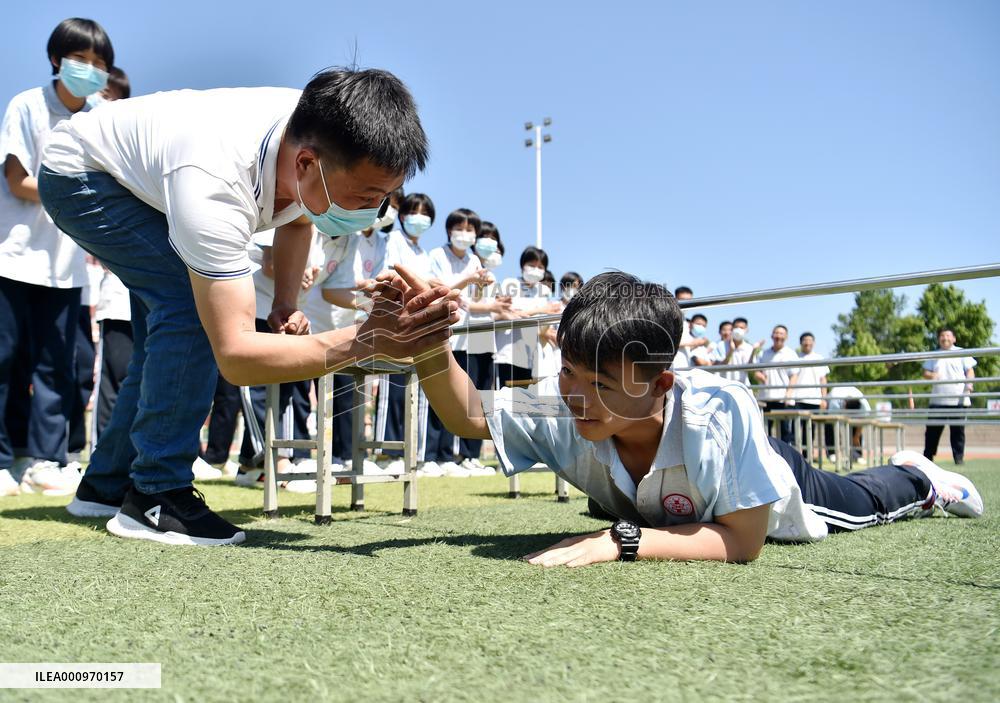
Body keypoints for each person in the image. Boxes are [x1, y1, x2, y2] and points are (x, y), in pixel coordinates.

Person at [37, 67, 459, 545]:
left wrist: (284, 301)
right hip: (82, 174)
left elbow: (298, 221)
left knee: (164, 338)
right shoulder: (213, 183)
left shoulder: (315, 139)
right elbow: (234, 355)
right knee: (187, 308)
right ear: (304, 164)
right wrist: (365, 341)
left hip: (148, 177)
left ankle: (105, 484)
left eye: (385, 197)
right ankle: (155, 495)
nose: (375, 212)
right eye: (365, 196)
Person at [404, 268, 983, 566]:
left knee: (868, 502)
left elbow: (744, 542)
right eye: (569, 372)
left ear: (659, 384)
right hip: (692, 506)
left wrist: (622, 541)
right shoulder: (568, 407)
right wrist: (428, 344)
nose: (575, 394)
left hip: (777, 492)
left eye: (600, 383)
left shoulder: (719, 411)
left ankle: (924, 478)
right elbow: (471, 414)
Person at [1, 18, 116, 497]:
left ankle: (46, 460)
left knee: (56, 366)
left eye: (98, 64)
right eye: (80, 60)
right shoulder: (27, 105)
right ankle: (4, 460)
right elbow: (16, 179)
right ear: (56, 59)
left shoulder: (102, 115)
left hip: (67, 269)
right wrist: (70, 197)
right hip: (15, 257)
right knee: (6, 359)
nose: (89, 70)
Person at [427, 208, 493, 477]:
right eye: (460, 228)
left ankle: (458, 456)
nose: (465, 235)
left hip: (468, 339)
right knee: (439, 396)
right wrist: (469, 279)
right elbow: (442, 291)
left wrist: (482, 281)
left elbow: (476, 296)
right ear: (449, 230)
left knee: (465, 398)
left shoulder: (474, 258)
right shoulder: (437, 256)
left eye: (470, 230)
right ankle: (433, 456)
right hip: (443, 335)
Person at [494, 246, 560, 390]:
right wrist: (542, 310)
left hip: (529, 356)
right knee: (505, 398)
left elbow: (540, 325)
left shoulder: (542, 292)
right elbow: (512, 314)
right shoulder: (509, 284)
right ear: (522, 265)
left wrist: (549, 321)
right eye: (531, 265)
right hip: (507, 353)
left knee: (523, 403)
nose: (535, 269)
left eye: (540, 266)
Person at [923, 328, 976, 465]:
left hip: (959, 399)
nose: (945, 338)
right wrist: (932, 375)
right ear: (939, 339)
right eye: (942, 335)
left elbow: (970, 371)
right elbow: (926, 373)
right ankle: (928, 459)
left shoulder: (961, 352)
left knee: (958, 432)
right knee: (932, 432)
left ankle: (958, 459)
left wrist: (969, 385)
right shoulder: (934, 354)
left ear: (954, 339)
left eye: (948, 335)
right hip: (937, 400)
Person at [754, 325, 800, 444]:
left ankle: (785, 458)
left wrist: (789, 393)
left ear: (786, 336)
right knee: (765, 430)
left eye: (781, 333)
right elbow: (756, 371)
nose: (778, 336)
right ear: (772, 335)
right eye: (776, 333)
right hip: (766, 397)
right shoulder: (764, 353)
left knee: (784, 431)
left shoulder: (790, 354)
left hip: (783, 399)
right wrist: (759, 375)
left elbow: (794, 375)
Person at [791, 332, 830, 455]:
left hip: (814, 399)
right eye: (805, 340)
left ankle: (808, 456)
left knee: (810, 429)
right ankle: (796, 455)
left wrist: (824, 398)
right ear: (801, 343)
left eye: (810, 340)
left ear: (813, 342)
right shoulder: (796, 358)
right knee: (796, 429)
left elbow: (823, 379)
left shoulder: (819, 358)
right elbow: (793, 377)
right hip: (798, 399)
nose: (807, 343)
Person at [709, 317, 759, 384]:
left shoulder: (749, 348)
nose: (738, 330)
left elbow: (750, 370)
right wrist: (731, 351)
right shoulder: (721, 345)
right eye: (736, 327)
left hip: (742, 387)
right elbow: (718, 367)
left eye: (741, 328)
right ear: (732, 329)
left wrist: (753, 351)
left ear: (746, 330)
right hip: (724, 386)